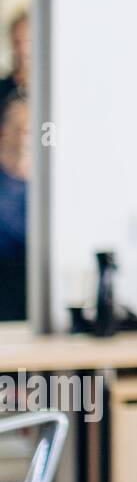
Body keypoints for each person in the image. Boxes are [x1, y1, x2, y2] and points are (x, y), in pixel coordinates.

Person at [0, 91, 29, 321]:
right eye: (17, 129)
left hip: (31, 297)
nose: (23, 138)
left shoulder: (50, 190)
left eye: (29, 131)